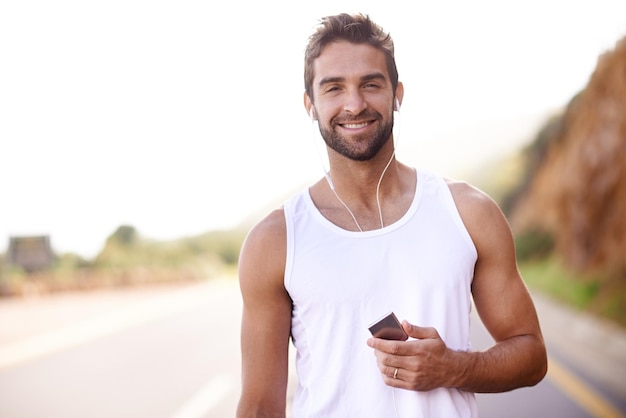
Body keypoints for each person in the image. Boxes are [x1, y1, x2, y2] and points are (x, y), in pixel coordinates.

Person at [236, 13, 547, 418]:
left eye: (371, 84)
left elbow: (532, 355)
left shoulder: (468, 212)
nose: (354, 103)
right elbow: (260, 407)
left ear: (397, 94)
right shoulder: (276, 240)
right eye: (334, 88)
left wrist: (453, 367)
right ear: (310, 105)